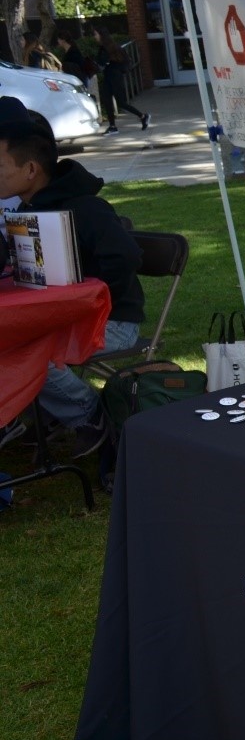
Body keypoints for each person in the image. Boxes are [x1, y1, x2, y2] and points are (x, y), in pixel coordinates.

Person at [0, 96, 145, 458]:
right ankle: (34, 415)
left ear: (30, 169)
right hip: (62, 318)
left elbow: (127, 256)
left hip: (112, 321)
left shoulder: (85, 208)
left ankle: (91, 415)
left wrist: (88, 298)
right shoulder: (29, 208)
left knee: (31, 353)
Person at [90, 25, 149, 134]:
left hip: (114, 77)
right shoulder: (108, 47)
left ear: (101, 35)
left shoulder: (109, 48)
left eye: (96, 34)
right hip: (110, 77)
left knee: (121, 102)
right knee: (107, 100)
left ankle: (142, 116)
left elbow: (103, 62)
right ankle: (112, 126)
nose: (95, 37)